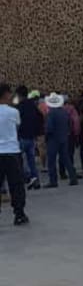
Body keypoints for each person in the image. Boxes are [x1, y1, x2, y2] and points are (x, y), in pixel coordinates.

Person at [0, 83, 28, 225]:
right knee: (16, 185)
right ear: (5, 94)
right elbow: (17, 126)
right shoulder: (13, 111)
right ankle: (19, 214)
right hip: (11, 151)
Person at [44, 93, 78, 187]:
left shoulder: (50, 113)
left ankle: (53, 181)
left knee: (51, 161)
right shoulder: (64, 112)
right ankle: (73, 177)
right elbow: (70, 124)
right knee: (66, 159)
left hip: (53, 139)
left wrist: (46, 136)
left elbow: (49, 128)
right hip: (64, 137)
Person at [15, 84, 43, 189]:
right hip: (31, 137)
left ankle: (26, 177)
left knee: (19, 160)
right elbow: (40, 118)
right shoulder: (33, 106)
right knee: (31, 161)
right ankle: (35, 179)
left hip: (21, 137)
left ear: (18, 95)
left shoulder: (18, 107)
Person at [63, 94, 82, 172]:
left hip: (60, 134)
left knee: (62, 153)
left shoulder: (58, 109)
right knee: (70, 153)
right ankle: (71, 169)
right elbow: (76, 122)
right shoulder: (72, 109)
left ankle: (62, 171)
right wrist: (77, 133)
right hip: (70, 134)